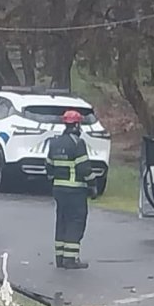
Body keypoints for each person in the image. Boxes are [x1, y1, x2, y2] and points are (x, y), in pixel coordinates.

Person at [48, 110, 92, 269]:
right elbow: (84, 168)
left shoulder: (55, 143)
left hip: (58, 190)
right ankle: (70, 259)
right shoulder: (77, 143)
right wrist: (92, 185)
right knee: (76, 222)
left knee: (62, 221)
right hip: (76, 191)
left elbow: (49, 167)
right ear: (77, 124)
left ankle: (60, 257)